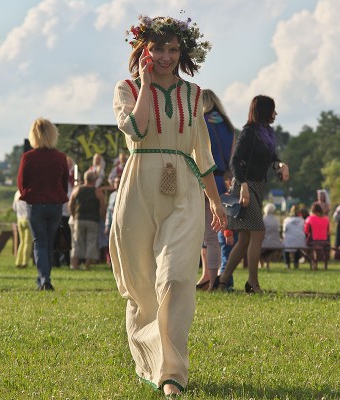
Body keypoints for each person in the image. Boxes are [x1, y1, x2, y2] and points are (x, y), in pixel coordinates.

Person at [110, 15, 225, 395]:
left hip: (185, 190)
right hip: (139, 186)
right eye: (158, 48)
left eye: (173, 49)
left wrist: (216, 203)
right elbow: (138, 128)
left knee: (176, 278)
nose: (165, 56)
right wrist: (144, 84)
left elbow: (203, 153)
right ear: (144, 49)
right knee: (142, 284)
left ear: (183, 52)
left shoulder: (194, 94)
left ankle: (172, 373)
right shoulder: (125, 88)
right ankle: (151, 359)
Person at [216, 95, 289, 294]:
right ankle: (252, 283)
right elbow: (235, 162)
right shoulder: (249, 132)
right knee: (258, 232)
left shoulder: (268, 133)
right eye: (272, 110)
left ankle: (222, 280)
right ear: (264, 111)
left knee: (245, 239)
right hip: (244, 188)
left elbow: (272, 159)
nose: (275, 113)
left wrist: (281, 165)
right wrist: (244, 186)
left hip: (257, 186)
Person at [18, 118, 69, 291]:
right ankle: (45, 277)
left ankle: (43, 278)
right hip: (55, 205)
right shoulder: (60, 157)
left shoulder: (28, 157)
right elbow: (64, 184)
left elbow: (22, 183)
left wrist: (28, 195)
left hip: (36, 205)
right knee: (49, 242)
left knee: (39, 242)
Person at [197, 88, 236, 290]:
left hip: (203, 179)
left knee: (205, 235)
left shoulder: (200, 120)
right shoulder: (228, 126)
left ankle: (210, 280)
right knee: (214, 234)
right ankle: (209, 277)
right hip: (223, 180)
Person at [68, 171, 105, 270]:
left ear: (85, 179)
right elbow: (102, 206)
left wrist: (73, 214)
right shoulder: (97, 191)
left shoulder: (77, 189)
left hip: (79, 219)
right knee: (91, 242)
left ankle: (74, 265)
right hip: (93, 220)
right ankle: (86, 266)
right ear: (94, 180)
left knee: (76, 242)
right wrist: (102, 217)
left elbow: (70, 203)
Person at [304, 202, 331, 270]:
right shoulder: (326, 218)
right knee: (318, 248)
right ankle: (324, 264)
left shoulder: (310, 218)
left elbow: (306, 231)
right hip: (325, 241)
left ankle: (313, 263)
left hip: (313, 241)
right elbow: (328, 231)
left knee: (308, 247)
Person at [12, 189, 32, 268]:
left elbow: (14, 208)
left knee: (22, 242)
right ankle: (24, 262)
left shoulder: (17, 192)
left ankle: (18, 261)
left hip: (19, 219)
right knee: (28, 242)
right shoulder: (29, 192)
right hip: (27, 219)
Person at [282, 205, 307, 269]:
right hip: (300, 241)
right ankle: (296, 262)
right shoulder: (302, 220)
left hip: (289, 241)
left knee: (285, 248)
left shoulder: (287, 220)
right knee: (297, 248)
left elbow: (284, 230)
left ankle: (287, 263)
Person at [260, 203, 282, 269]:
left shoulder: (263, 219)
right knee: (267, 251)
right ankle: (267, 264)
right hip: (276, 242)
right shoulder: (276, 220)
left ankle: (261, 264)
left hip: (265, 243)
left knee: (258, 248)